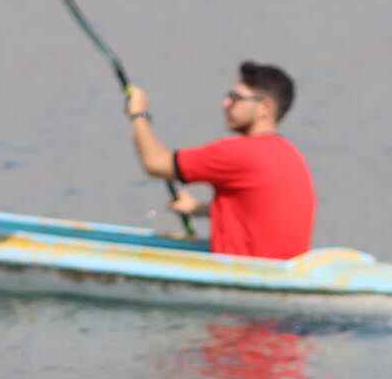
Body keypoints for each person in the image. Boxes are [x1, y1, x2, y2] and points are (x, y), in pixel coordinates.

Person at [122, 62, 316, 259]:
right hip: (280, 270)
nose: (226, 103)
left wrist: (139, 114)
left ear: (265, 108)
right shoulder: (291, 155)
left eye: (236, 98)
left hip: (243, 271)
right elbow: (256, 209)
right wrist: (198, 208)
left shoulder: (236, 153)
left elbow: (155, 163)